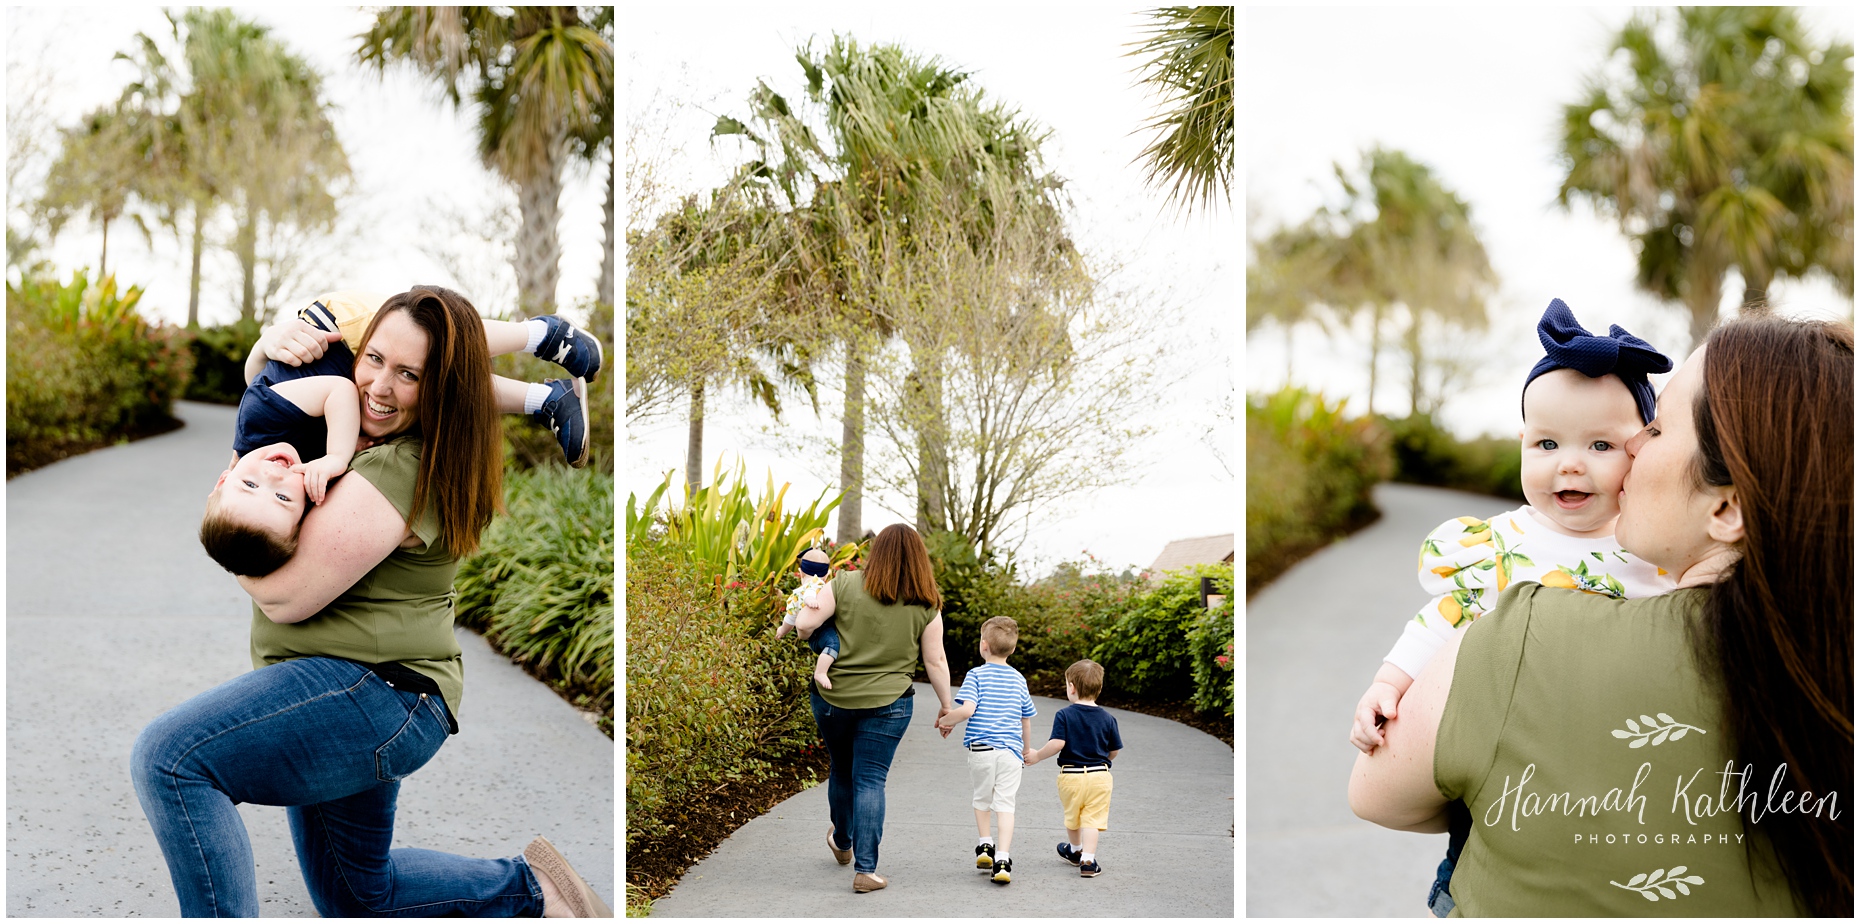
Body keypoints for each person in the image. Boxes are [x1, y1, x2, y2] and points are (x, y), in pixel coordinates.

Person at [1348, 315, 1853, 916]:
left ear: (1727, 507)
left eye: (1658, 428)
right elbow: (1439, 616)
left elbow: (1377, 795)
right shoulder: (1826, 659)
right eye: (1547, 443)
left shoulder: (1519, 640)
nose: (1632, 445)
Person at [131, 286, 611, 917]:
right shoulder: (351, 440)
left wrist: (230, 500)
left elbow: (282, 595)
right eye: (374, 359)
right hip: (350, 689)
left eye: (409, 375)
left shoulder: (400, 467)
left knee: (171, 760)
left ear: (443, 390)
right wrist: (267, 354)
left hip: (374, 694)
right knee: (359, 896)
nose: (378, 387)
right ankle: (536, 893)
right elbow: (267, 424)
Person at [1346, 298, 1676, 914]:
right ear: (1523, 443)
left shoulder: (1657, 547)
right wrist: (1389, 684)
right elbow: (1441, 618)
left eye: (1602, 445)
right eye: (1547, 443)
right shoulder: (1495, 544)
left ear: (1644, 452)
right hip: (1510, 765)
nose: (1569, 462)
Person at [197, 291, 603, 577]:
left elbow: (334, 391)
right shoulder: (304, 474)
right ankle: (547, 399)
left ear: (224, 477)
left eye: (248, 483)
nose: (271, 478)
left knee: (434, 345)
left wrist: (338, 456)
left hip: (339, 329)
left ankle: (541, 334)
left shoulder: (258, 423)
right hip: (356, 365)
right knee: (436, 387)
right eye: (283, 498)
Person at [793, 523, 955, 894]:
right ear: (919, 559)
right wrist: (946, 706)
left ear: (875, 552)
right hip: (890, 704)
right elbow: (936, 661)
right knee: (870, 780)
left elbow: (804, 628)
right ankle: (867, 869)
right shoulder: (927, 602)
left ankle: (843, 840)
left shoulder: (845, 584)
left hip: (834, 698)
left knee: (842, 768)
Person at [933, 616, 1036, 884]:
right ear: (1012, 649)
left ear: (984, 645)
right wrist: (1026, 749)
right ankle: (1003, 859)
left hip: (982, 749)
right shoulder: (1019, 679)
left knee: (982, 799)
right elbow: (1026, 719)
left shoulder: (976, 675)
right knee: (1006, 805)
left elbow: (967, 710)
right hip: (1012, 753)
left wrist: (945, 721)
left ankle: (985, 845)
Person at [1025, 659, 1123, 879]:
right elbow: (1114, 750)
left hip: (1071, 776)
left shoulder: (1064, 715)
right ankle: (1088, 861)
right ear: (1099, 688)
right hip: (1100, 777)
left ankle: (1074, 849)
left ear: (1072, 687)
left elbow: (1058, 743)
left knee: (1073, 815)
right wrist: (1102, 759)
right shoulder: (1109, 718)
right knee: (1092, 819)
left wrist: (1038, 755)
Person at [775, 548, 840, 689]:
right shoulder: (819, 586)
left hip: (812, 636)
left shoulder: (794, 596)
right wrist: (810, 600)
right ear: (827, 575)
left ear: (801, 572)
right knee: (834, 645)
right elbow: (810, 591)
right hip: (822, 631)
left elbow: (789, 619)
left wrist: (782, 630)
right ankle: (821, 672)